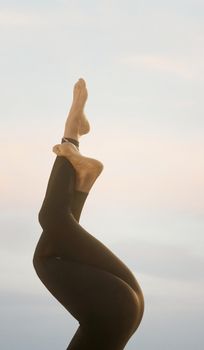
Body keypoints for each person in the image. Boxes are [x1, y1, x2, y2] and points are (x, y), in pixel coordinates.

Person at [33, 78, 144, 350]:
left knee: (51, 247)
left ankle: (81, 168)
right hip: (113, 310)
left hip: (128, 310)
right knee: (51, 223)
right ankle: (71, 134)